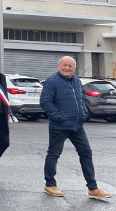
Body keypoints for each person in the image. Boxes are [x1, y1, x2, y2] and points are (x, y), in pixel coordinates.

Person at [40, 56, 111, 199]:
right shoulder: (52, 81)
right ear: (58, 66)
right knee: (54, 154)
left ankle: (93, 188)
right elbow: (45, 102)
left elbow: (79, 100)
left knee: (86, 153)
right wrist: (60, 118)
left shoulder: (77, 81)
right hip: (59, 126)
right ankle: (50, 184)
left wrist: (83, 113)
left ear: (75, 68)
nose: (67, 68)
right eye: (64, 65)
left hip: (77, 126)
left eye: (70, 66)